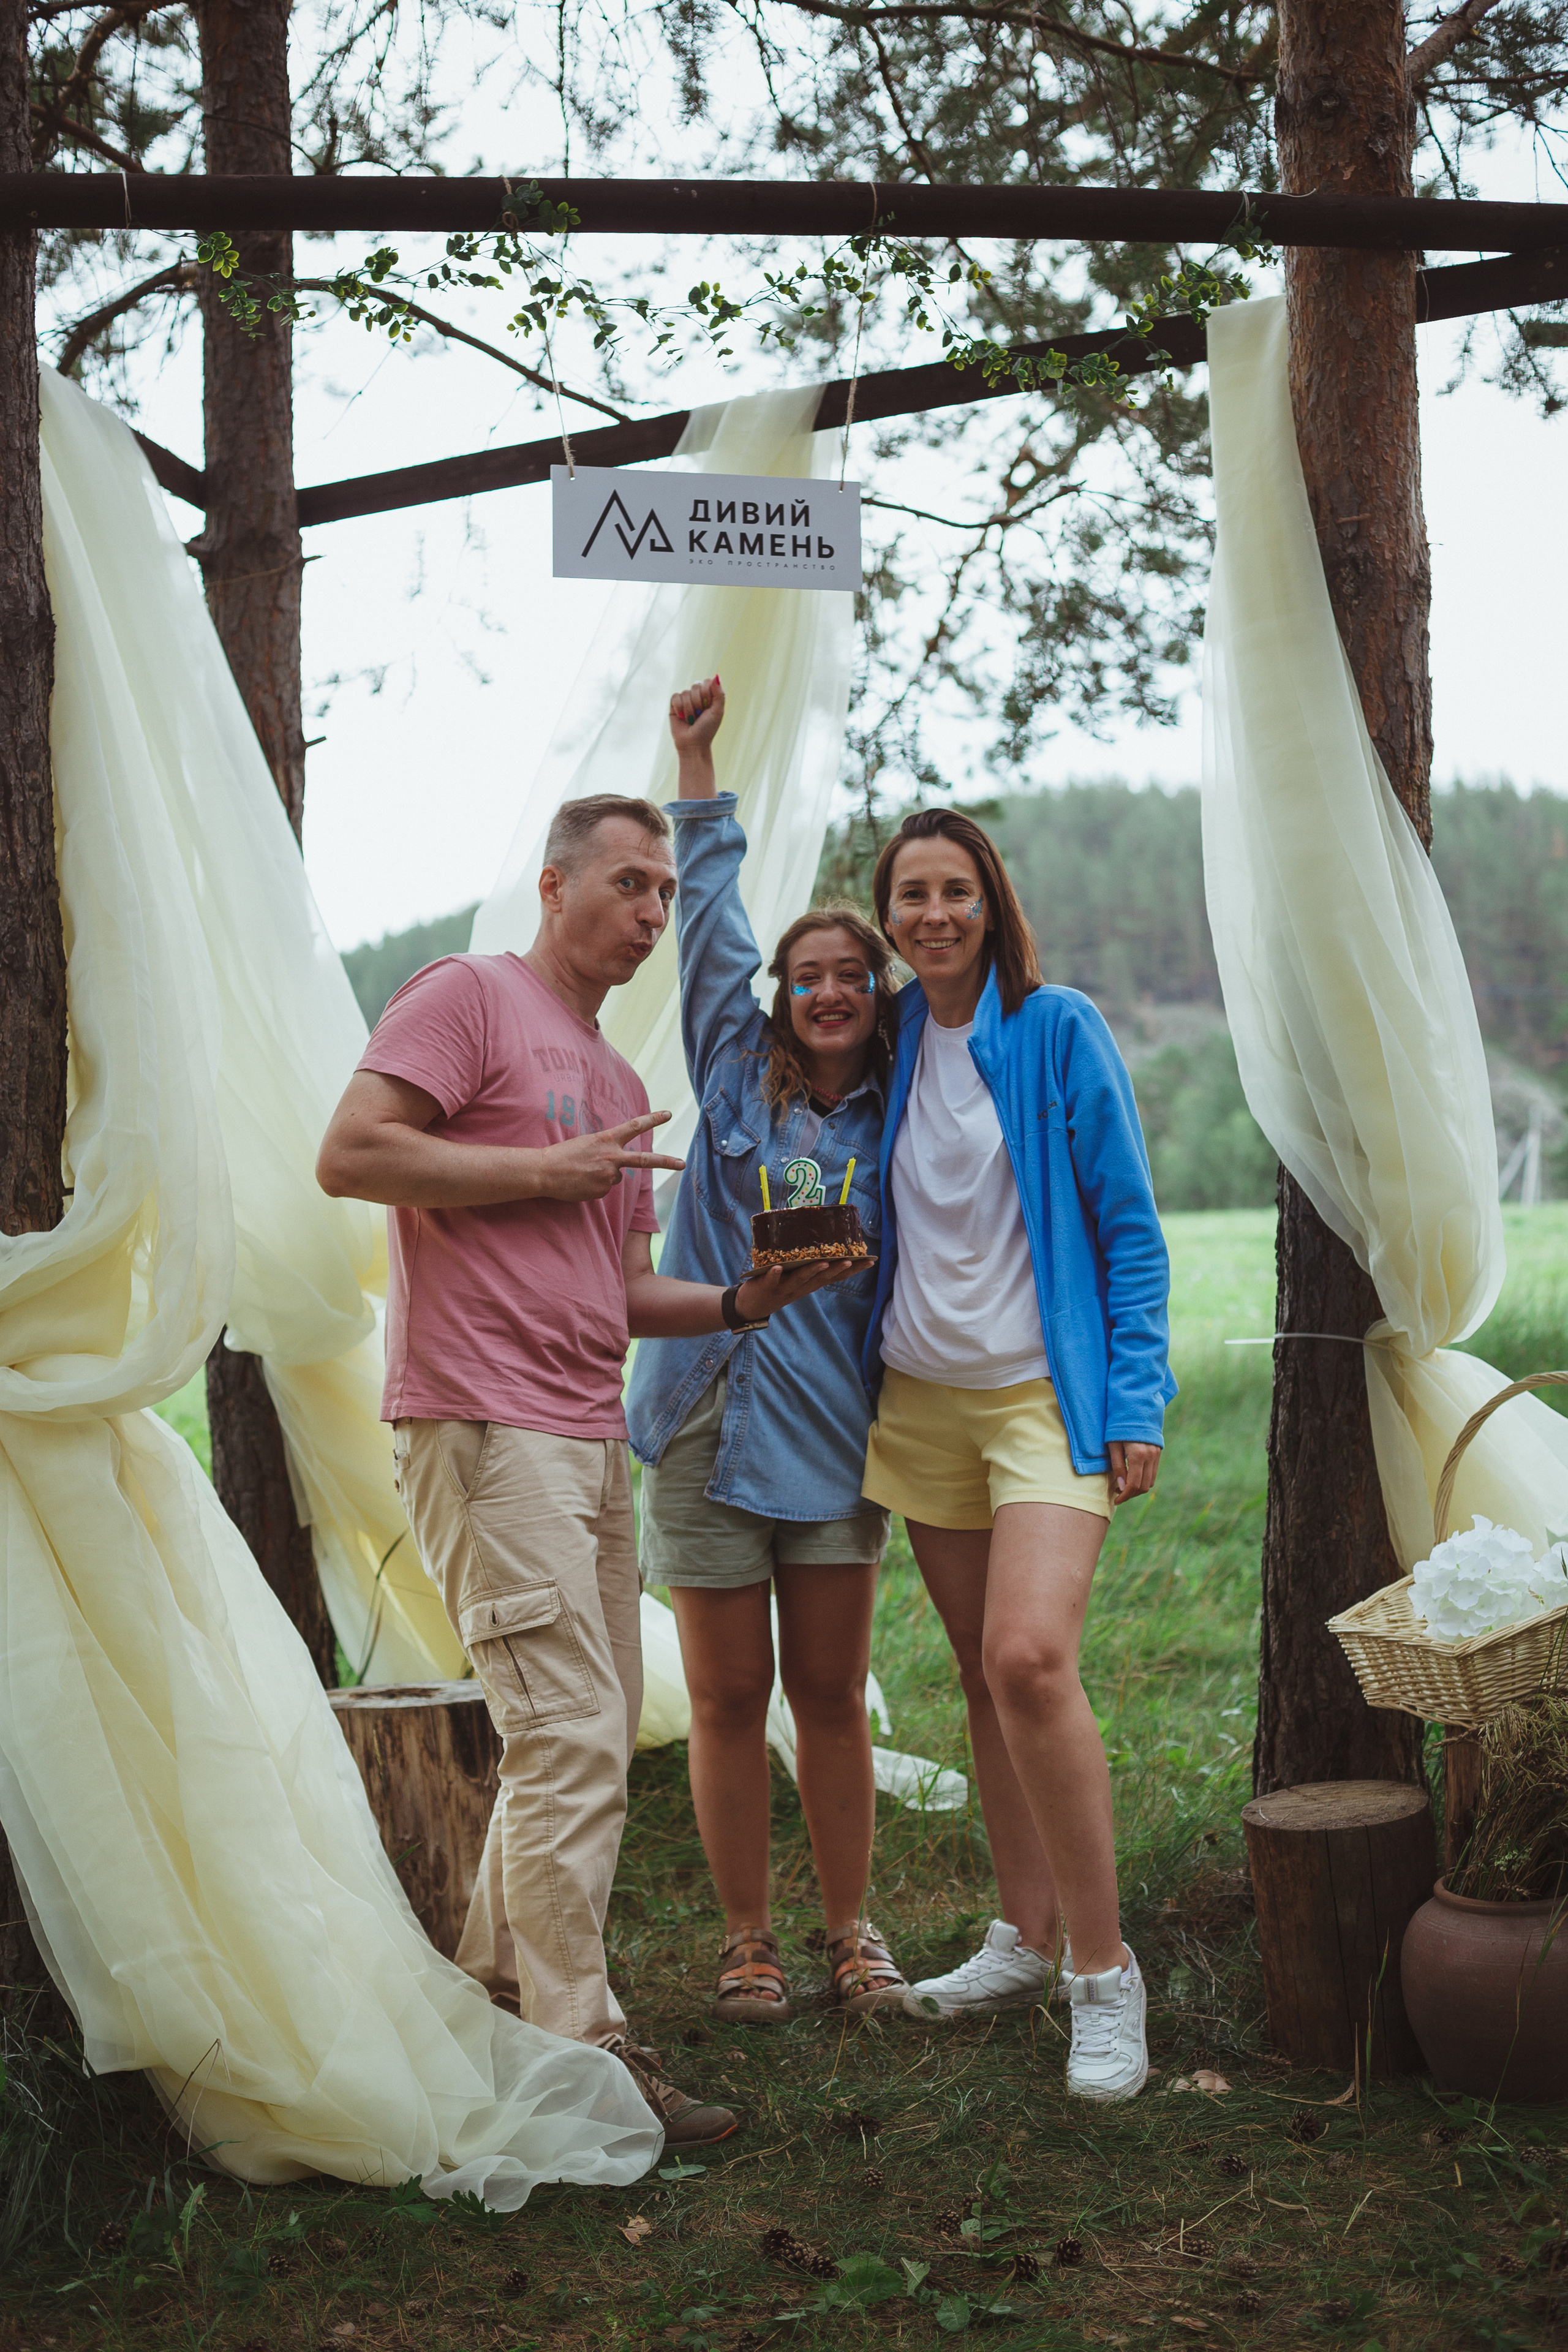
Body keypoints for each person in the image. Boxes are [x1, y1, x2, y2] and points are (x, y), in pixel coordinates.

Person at [315, 790, 853, 2147]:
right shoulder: (469, 996)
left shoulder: (616, 1084)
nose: (652, 912)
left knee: (585, 1732)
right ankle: (583, 2054)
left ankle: (491, 2009)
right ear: (553, 887)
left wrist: (742, 1301)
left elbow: (619, 1287)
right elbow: (350, 1153)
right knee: (564, 1736)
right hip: (481, 1423)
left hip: (585, 1430)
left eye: (667, 893)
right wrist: (537, 1169)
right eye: (628, 884)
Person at [858, 807, 1174, 2103]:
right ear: (888, 916)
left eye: (954, 890)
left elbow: (1128, 1225)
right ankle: (1021, 1938)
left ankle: (1102, 1975)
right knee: (981, 1685)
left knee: (1027, 1659)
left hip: (1046, 1398)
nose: (932, 913)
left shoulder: (1054, 1030)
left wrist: (1138, 1399)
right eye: (910, 894)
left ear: (989, 903)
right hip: (921, 1402)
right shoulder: (881, 1043)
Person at [627, 677, 910, 2024]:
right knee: (728, 1693)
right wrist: (699, 772)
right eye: (808, 976)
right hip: (698, 1417)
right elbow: (711, 924)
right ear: (780, 997)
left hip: (836, 1438)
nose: (828, 992)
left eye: (854, 977)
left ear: (878, 1001)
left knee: (831, 1693)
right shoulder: (733, 1066)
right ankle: (749, 1942)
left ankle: (854, 1937)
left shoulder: (902, 1112)